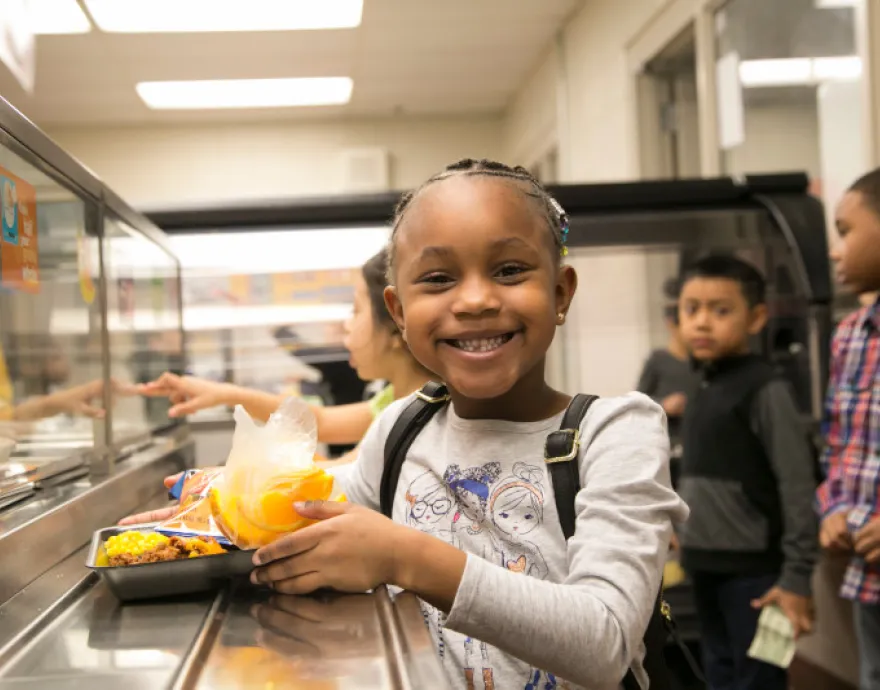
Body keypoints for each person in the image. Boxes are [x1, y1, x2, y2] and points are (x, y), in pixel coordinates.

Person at [245, 159, 688, 688]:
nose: (476, 300)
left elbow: (603, 641)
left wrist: (401, 556)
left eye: (509, 270)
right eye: (438, 279)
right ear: (400, 312)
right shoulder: (402, 430)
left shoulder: (616, 432)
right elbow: (305, 505)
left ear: (561, 293)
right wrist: (206, 506)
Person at [675, 255, 818, 690]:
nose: (701, 322)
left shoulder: (766, 388)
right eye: (691, 308)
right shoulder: (701, 385)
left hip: (759, 574)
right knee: (718, 669)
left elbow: (798, 484)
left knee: (762, 676)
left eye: (720, 310)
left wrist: (796, 576)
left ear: (756, 318)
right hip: (703, 564)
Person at [139, 249, 433, 456]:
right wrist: (226, 394)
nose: (345, 325)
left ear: (396, 322)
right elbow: (322, 421)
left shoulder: (420, 415)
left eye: (354, 310)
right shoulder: (390, 403)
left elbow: (345, 467)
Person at [816, 168, 880, 690]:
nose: (836, 251)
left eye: (845, 230)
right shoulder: (851, 336)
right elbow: (839, 438)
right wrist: (834, 505)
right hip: (867, 572)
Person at [636, 279, 700, 446]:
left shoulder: (704, 362)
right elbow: (638, 402)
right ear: (671, 324)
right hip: (666, 442)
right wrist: (664, 404)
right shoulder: (658, 360)